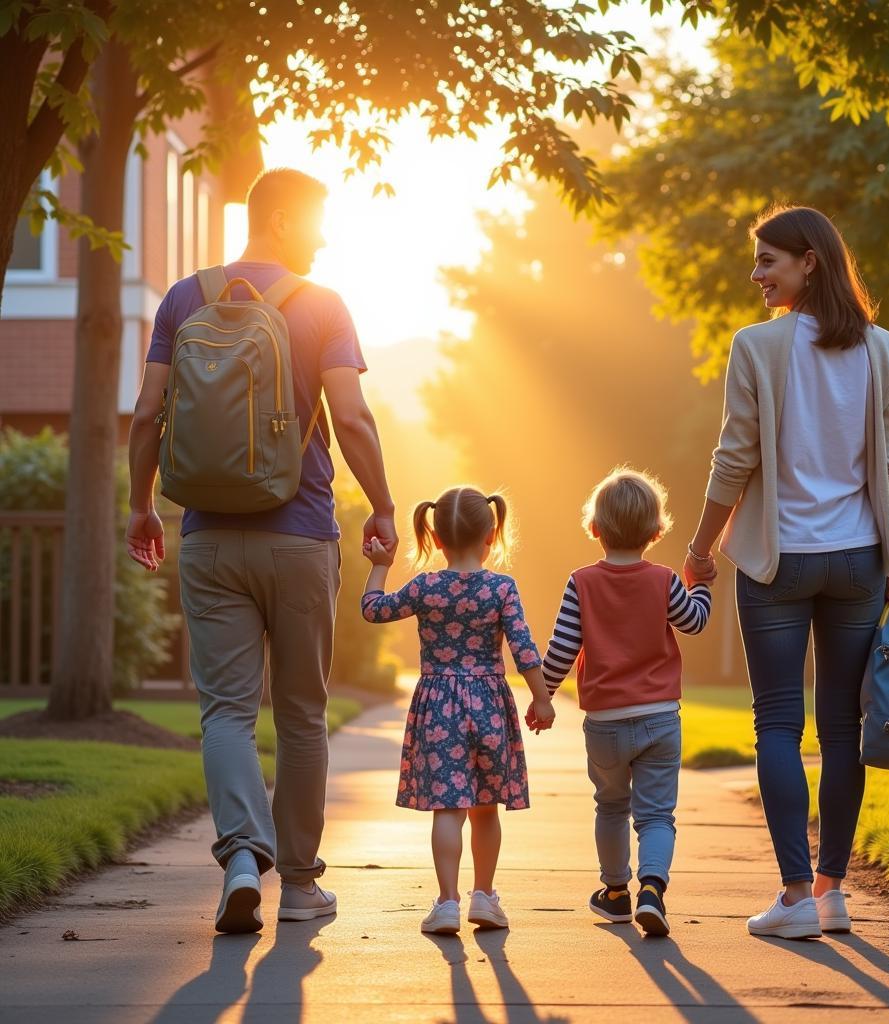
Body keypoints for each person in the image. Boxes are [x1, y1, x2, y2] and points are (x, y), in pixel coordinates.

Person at [125, 168, 397, 933]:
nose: (323, 237)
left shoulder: (184, 298)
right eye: (316, 222)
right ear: (279, 218)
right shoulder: (321, 304)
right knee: (303, 715)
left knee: (226, 714)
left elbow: (148, 414)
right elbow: (352, 418)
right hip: (300, 535)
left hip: (208, 537)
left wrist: (142, 507)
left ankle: (243, 857)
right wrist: (381, 502)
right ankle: (302, 887)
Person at [683, 205, 889, 941]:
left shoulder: (755, 347)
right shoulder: (882, 349)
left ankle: (793, 899)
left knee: (778, 726)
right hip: (857, 561)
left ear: (809, 260)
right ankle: (832, 892)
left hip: (779, 562)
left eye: (767, 262)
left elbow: (734, 458)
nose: (756, 276)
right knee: (841, 730)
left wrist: (697, 551)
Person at [361, 486, 555, 934]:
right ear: (491, 534)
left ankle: (447, 902)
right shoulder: (501, 587)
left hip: (438, 706)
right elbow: (524, 649)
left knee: (447, 808)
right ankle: (483, 896)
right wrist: (542, 699)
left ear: (436, 537)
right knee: (485, 807)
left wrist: (380, 567)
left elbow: (373, 610)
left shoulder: (426, 586)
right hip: (488, 702)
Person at [538, 468, 711, 937]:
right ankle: (652, 889)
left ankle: (615, 893)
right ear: (657, 531)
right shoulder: (665, 580)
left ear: (595, 528)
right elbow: (694, 622)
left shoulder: (582, 583)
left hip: (605, 722)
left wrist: (543, 697)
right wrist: (703, 586)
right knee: (656, 814)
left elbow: (561, 649)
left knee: (611, 806)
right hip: (659, 717)